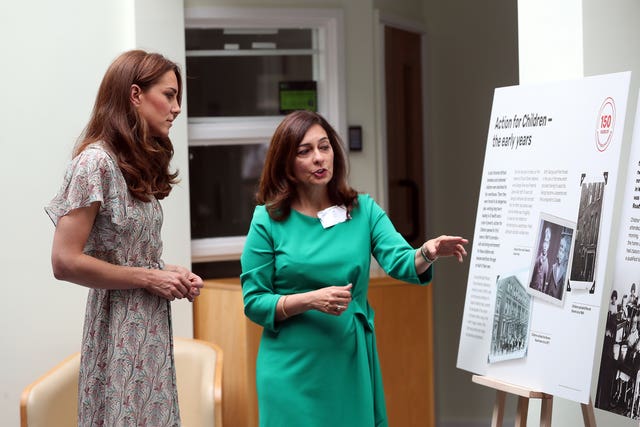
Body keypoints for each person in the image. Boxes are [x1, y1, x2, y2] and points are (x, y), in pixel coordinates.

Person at [240, 110, 468, 427]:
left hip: (346, 361)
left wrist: (426, 252)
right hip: (289, 370)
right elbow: (254, 301)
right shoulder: (267, 220)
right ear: (286, 163)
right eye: (305, 151)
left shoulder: (363, 210)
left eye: (324, 147)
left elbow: (401, 261)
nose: (319, 158)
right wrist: (309, 300)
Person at [45, 50, 203, 426]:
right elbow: (64, 261)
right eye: (169, 95)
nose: (177, 107)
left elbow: (125, 253)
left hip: (148, 325)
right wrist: (151, 277)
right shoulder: (94, 163)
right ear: (135, 95)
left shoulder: (132, 162)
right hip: (116, 326)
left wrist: (168, 273)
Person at [546, 233, 570, 299]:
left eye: (562, 249)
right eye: (559, 248)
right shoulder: (553, 268)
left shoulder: (565, 272)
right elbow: (548, 286)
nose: (560, 252)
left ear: (566, 254)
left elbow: (561, 290)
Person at [530, 226, 551, 292]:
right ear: (542, 244)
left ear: (548, 246)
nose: (545, 246)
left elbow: (544, 282)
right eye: (544, 242)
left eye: (547, 243)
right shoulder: (536, 261)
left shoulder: (547, 265)